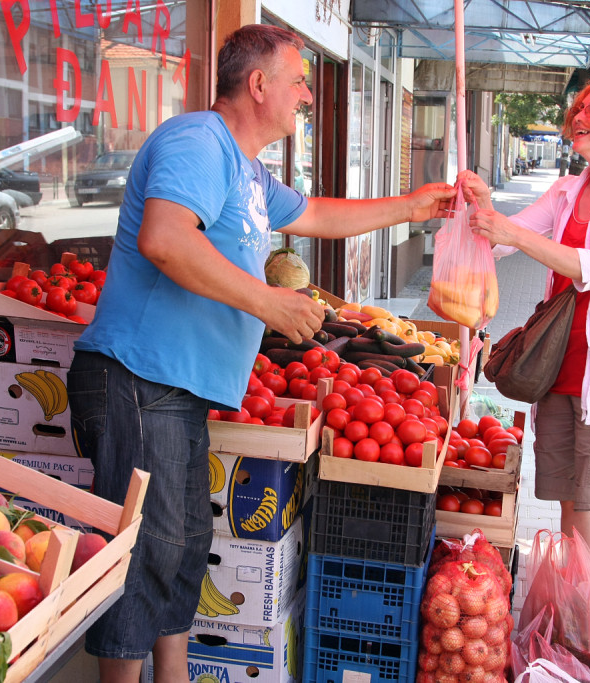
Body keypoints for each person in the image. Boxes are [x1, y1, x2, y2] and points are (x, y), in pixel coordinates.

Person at [67, 24, 455, 683]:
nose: (307, 94)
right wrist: (268, 302)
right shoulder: (197, 141)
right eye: (298, 80)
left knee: (184, 548)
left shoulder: (246, 170)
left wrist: (412, 207)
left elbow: (318, 215)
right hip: (137, 377)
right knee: (145, 557)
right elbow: (165, 238)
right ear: (257, 84)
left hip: (178, 389)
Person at [457, 75, 590, 683]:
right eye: (579, 108)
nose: (579, 117)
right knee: (575, 507)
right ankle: (579, 625)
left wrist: (511, 233)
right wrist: (479, 208)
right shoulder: (568, 189)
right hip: (560, 373)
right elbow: (502, 238)